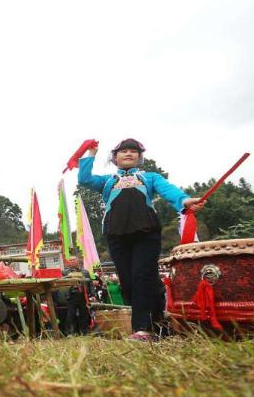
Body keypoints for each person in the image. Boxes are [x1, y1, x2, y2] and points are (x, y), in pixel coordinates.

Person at [78, 138, 205, 342]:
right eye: (123, 151)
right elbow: (84, 180)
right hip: (116, 234)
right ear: (115, 157)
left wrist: (184, 200)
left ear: (139, 157)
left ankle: (143, 330)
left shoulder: (150, 177)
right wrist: (90, 154)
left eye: (133, 152)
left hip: (146, 233)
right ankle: (159, 323)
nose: (128, 154)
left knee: (142, 277)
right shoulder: (107, 181)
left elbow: (169, 190)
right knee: (129, 282)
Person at [65, 256, 93, 335]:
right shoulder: (65, 272)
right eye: (70, 260)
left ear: (78, 261)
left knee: (84, 314)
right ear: (69, 262)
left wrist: (93, 295)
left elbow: (90, 284)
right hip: (71, 296)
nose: (72, 261)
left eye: (74, 260)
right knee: (71, 315)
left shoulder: (85, 272)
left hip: (82, 295)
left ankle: (84, 331)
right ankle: (70, 332)